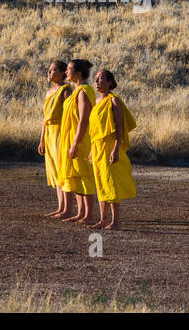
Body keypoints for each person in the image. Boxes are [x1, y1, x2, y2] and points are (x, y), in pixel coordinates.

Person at [89, 69, 137, 229]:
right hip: (97, 147)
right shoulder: (96, 102)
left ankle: (115, 221)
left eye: (101, 79)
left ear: (110, 82)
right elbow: (95, 129)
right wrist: (91, 149)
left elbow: (119, 128)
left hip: (110, 146)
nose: (97, 82)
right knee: (100, 182)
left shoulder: (114, 101)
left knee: (111, 182)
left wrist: (116, 149)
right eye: (96, 78)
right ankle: (103, 219)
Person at [59, 59, 98, 224]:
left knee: (85, 176)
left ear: (79, 73)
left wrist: (75, 143)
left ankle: (89, 214)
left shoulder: (83, 91)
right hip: (72, 138)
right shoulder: (76, 91)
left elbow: (84, 119)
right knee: (76, 176)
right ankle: (81, 212)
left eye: (69, 69)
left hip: (81, 140)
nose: (66, 72)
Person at [40, 61, 73, 218]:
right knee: (54, 170)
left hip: (60, 131)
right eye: (49, 70)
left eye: (53, 70)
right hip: (49, 133)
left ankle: (67, 209)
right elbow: (44, 118)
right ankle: (61, 207)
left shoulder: (66, 90)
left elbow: (69, 115)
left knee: (63, 169)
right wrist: (41, 139)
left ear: (63, 73)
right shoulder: (48, 93)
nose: (49, 73)